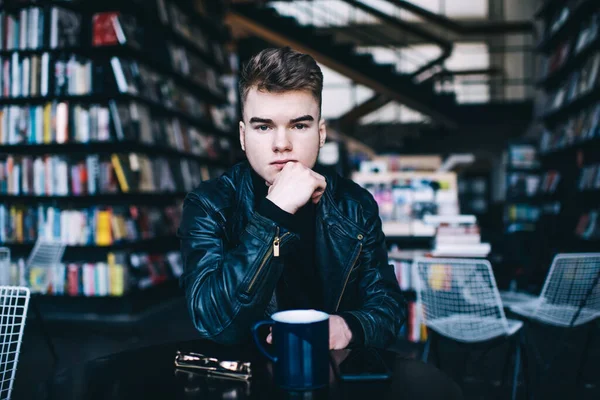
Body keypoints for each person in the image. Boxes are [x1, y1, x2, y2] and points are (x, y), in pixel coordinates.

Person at [177, 46, 405, 349]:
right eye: (263, 127)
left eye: (299, 125)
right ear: (243, 136)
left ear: (321, 134)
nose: (281, 144)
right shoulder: (209, 205)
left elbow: (388, 304)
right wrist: (275, 212)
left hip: (333, 373)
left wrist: (347, 327)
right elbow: (214, 322)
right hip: (249, 376)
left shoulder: (355, 204)